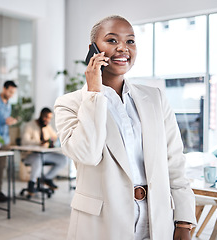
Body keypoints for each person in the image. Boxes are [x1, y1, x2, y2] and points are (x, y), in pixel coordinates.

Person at [54, 15, 196, 240]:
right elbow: (87, 154)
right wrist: (93, 93)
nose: (123, 48)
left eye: (130, 41)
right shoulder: (70, 104)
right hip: (101, 225)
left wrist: (184, 221)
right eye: (111, 40)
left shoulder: (155, 98)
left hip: (157, 222)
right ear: (92, 49)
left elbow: (175, 162)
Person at [21, 107, 68, 195]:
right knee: (37, 158)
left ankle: (47, 178)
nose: (48, 120)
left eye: (50, 118)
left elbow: (55, 136)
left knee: (63, 159)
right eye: (46, 117)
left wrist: (52, 140)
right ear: (41, 115)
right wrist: (39, 142)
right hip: (30, 155)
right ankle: (31, 183)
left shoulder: (47, 126)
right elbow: (25, 141)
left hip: (44, 154)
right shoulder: (29, 125)